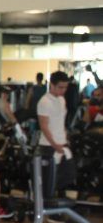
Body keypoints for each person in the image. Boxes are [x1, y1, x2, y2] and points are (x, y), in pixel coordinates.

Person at [37, 70, 75, 198]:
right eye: (60, 87)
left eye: (65, 87)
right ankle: (49, 211)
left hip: (62, 144)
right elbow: (44, 127)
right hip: (48, 146)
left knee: (64, 180)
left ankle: (60, 210)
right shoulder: (44, 102)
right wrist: (55, 145)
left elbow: (61, 122)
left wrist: (65, 139)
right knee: (50, 182)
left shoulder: (62, 100)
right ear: (52, 85)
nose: (63, 90)